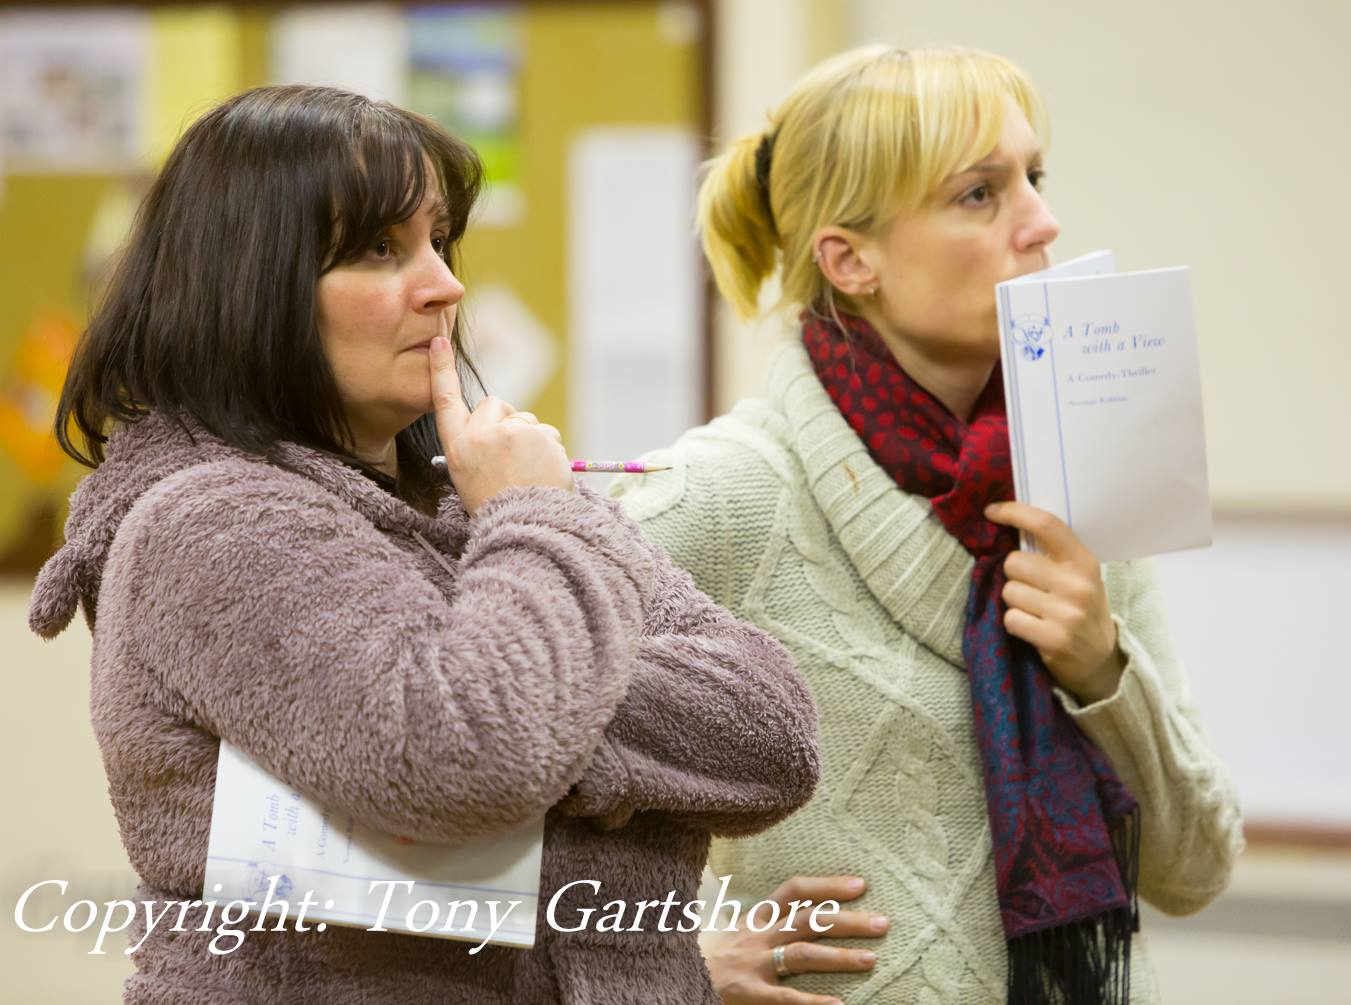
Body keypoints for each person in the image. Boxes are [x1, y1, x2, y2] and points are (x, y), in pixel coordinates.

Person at [28, 84, 820, 1003]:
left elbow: (772, 733)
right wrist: (538, 544)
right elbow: (465, 756)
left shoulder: (495, 501)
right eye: (379, 247)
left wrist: (533, 689)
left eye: (439, 239)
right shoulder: (206, 522)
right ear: (251, 284)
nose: (445, 284)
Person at [610, 45, 1243, 1004]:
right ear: (849, 260)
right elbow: (451, 828)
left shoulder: (1077, 471)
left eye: (1033, 178)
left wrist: (1100, 668)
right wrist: (673, 963)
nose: (1042, 221)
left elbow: (1196, 870)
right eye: (979, 194)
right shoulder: (715, 496)